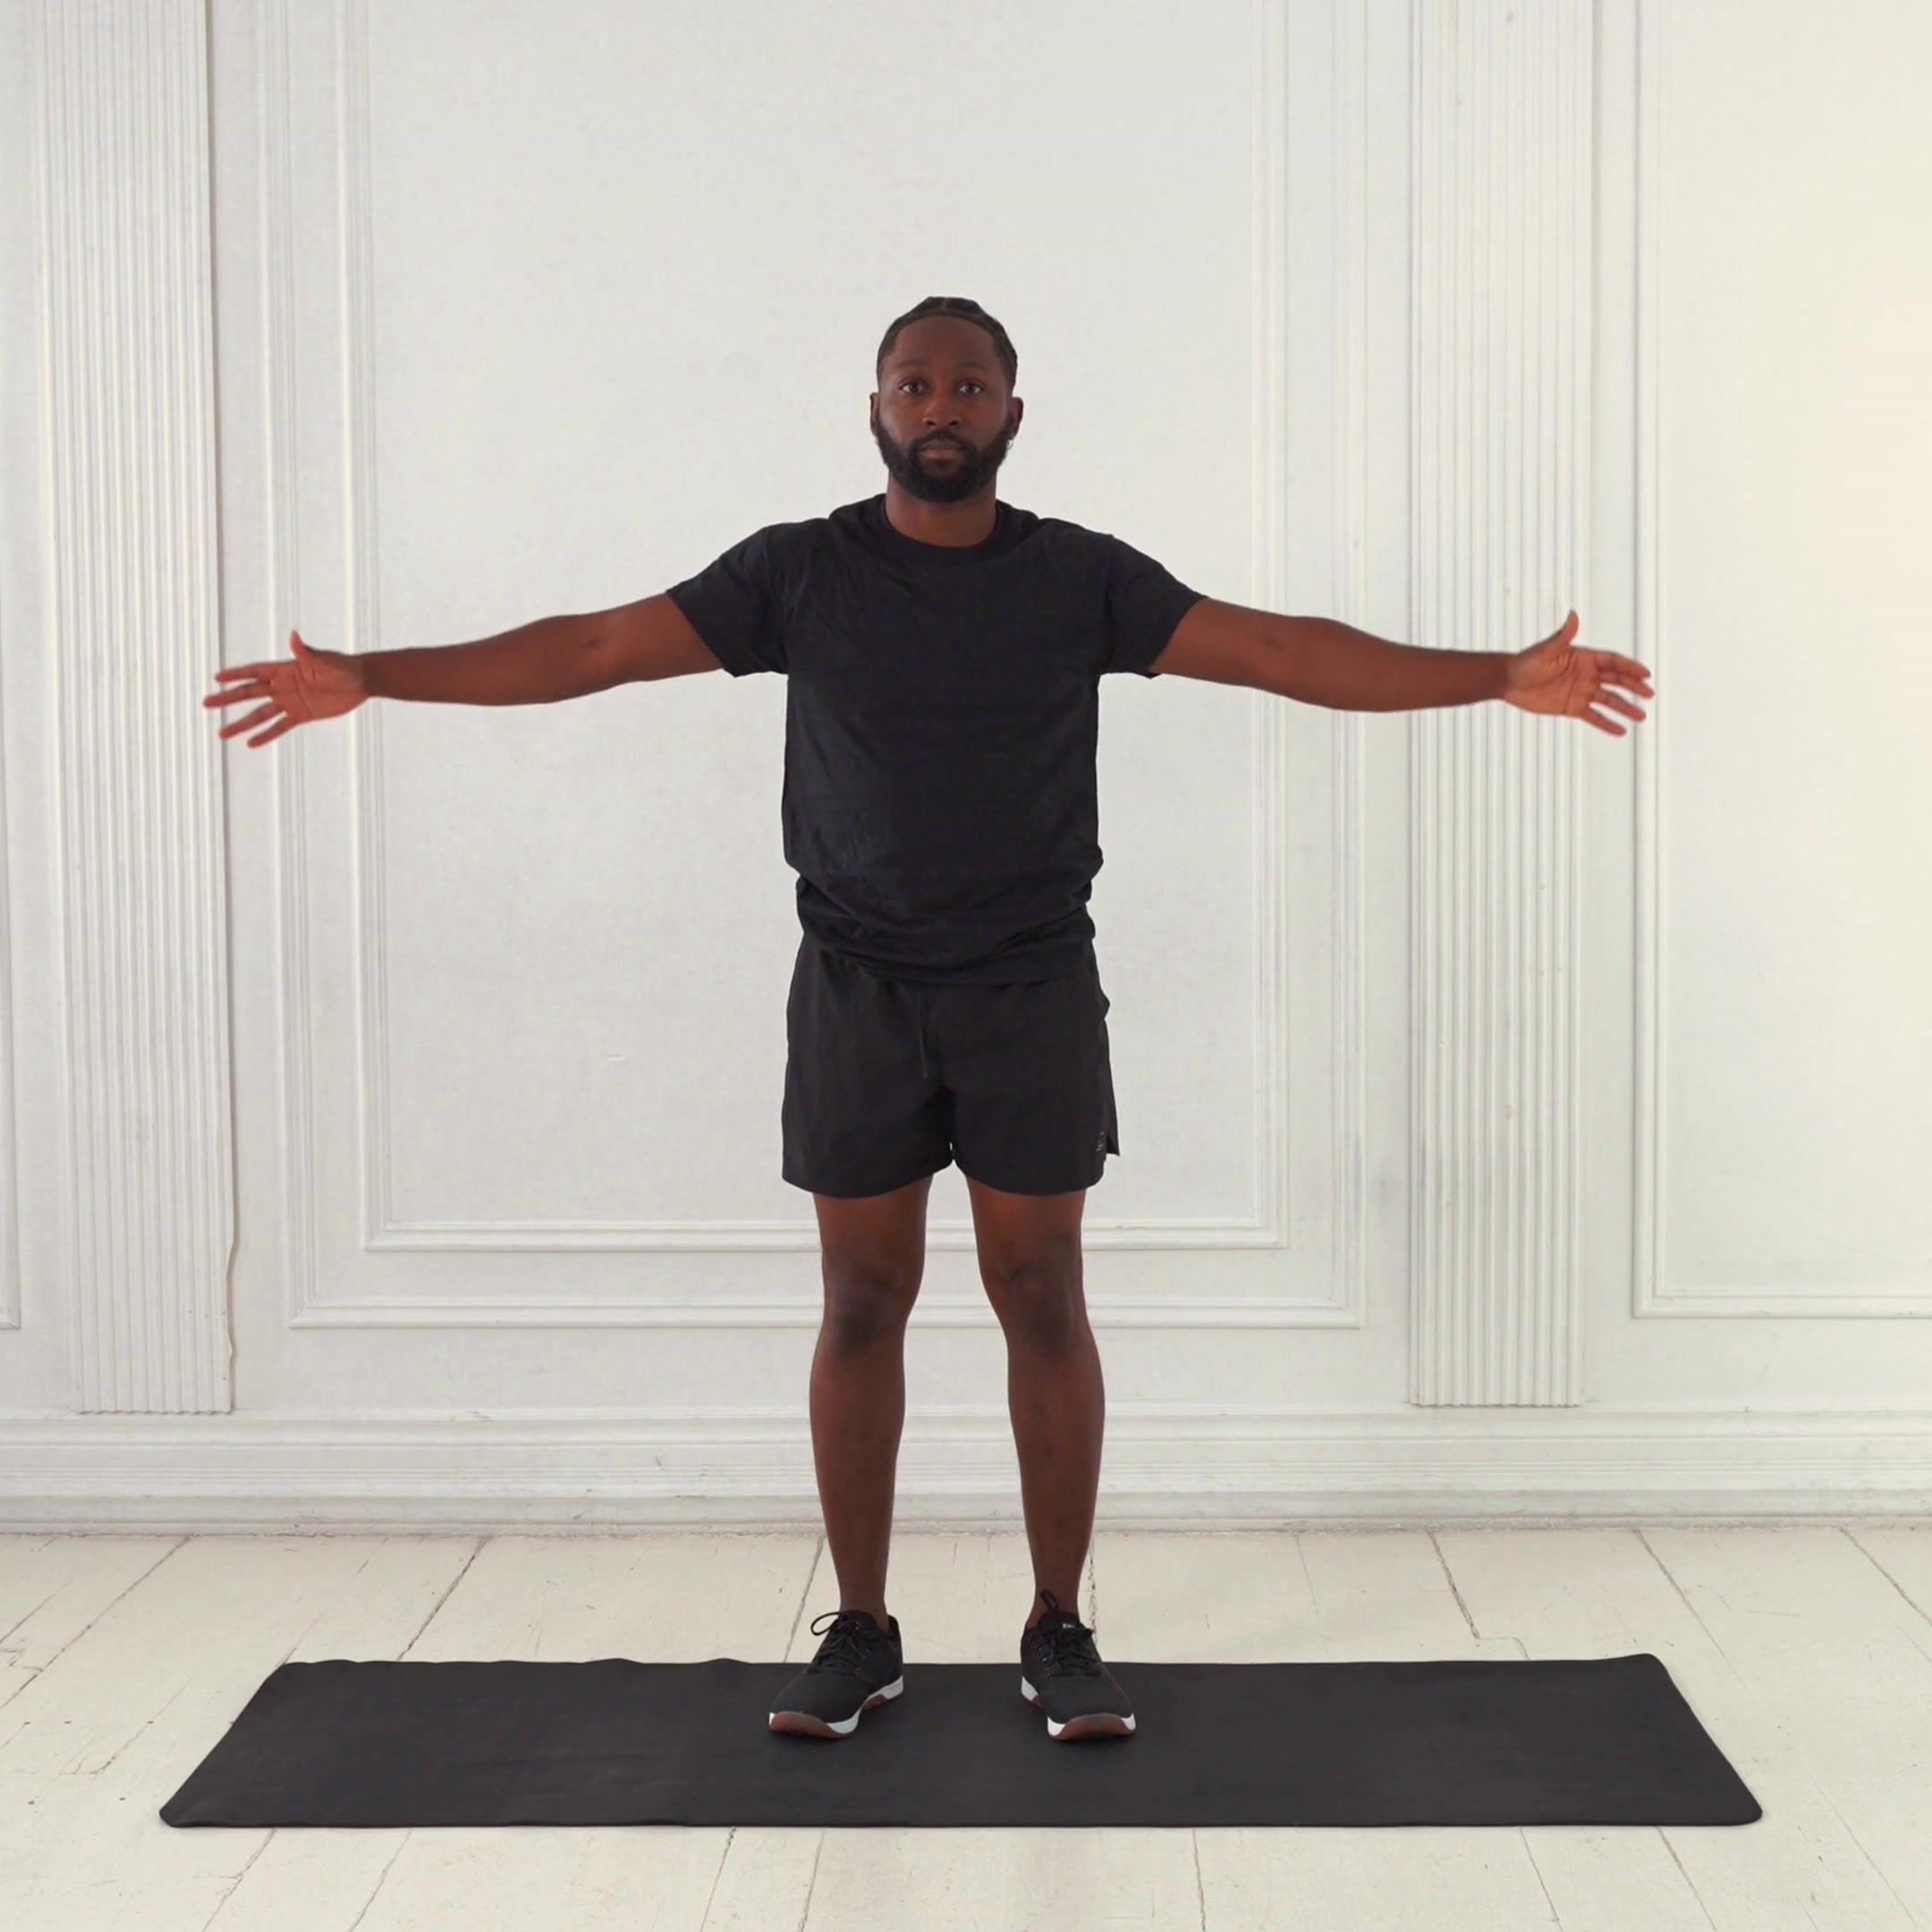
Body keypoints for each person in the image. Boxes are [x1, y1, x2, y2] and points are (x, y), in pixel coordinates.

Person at [203, 295, 1654, 1744]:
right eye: (915, 383)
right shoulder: (797, 573)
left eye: (969, 385)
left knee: (1041, 1293)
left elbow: (1279, 650)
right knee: (860, 1301)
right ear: (876, 410)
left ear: (1014, 414)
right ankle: (864, 1628)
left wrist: (1495, 677)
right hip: (858, 989)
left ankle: (1058, 1624)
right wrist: (373, 676)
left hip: (1030, 986)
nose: (941, 406)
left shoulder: (1082, 578)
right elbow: (590, 648)